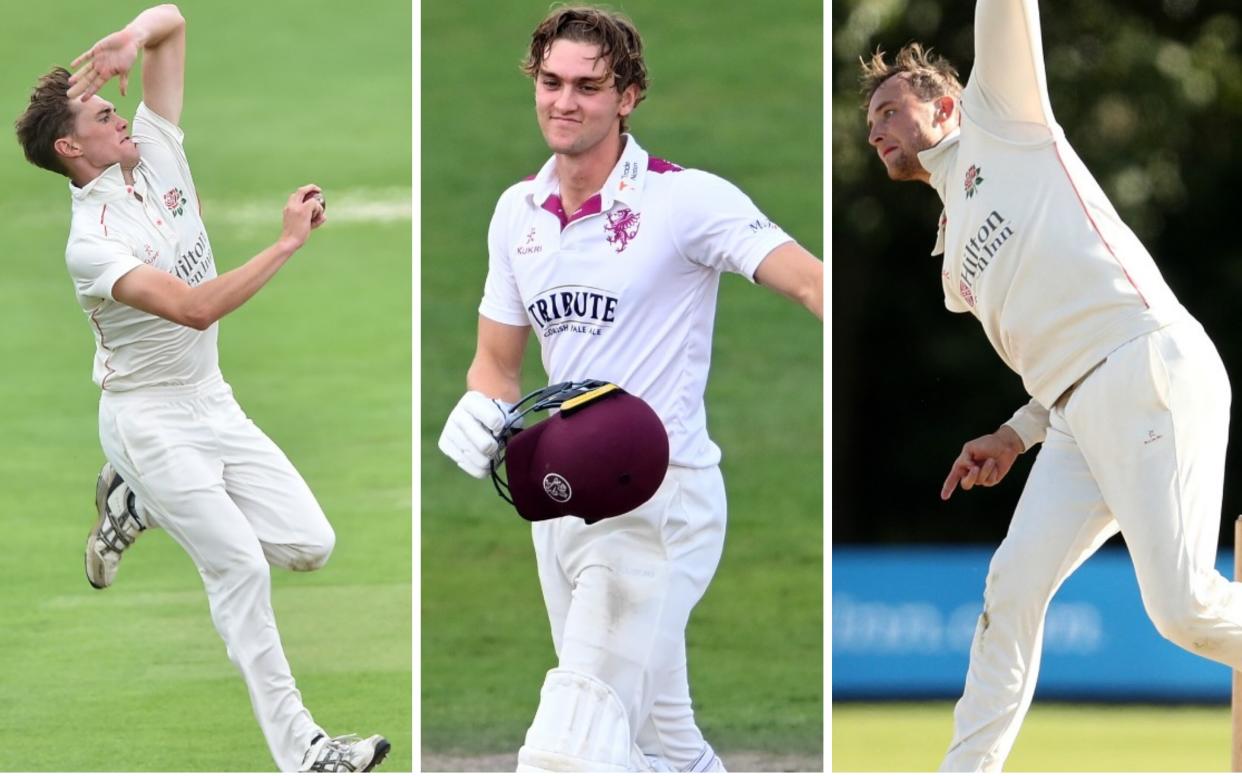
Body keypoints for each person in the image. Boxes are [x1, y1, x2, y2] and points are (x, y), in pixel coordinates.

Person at [436, 5, 823, 772]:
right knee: (661, 743)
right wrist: (480, 407)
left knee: (567, 747)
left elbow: (814, 283)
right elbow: (497, 363)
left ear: (629, 96)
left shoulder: (686, 201)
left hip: (660, 501)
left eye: (588, 85)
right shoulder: (517, 213)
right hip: (558, 499)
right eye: (551, 82)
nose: (565, 101)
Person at [861, 0, 1239, 771]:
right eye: (871, 121)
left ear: (947, 104)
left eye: (892, 109)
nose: (877, 129)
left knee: (1187, 610)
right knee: (1012, 587)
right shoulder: (952, 248)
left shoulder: (1005, 122)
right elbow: (1055, 351)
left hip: (1144, 366)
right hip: (1076, 411)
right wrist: (1016, 433)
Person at [15, 5, 388, 772]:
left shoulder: (150, 148)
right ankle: (308, 752)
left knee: (310, 545)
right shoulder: (92, 245)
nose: (117, 111)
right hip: (147, 421)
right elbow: (193, 308)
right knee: (240, 570)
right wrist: (286, 243)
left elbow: (174, 21)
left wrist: (131, 34)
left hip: (211, 402)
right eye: (97, 113)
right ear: (68, 147)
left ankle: (138, 502)